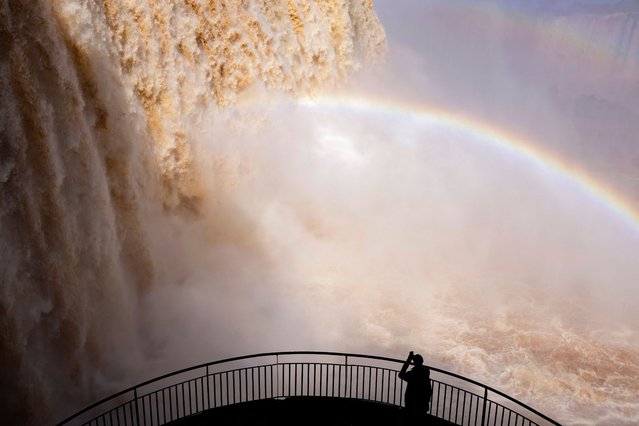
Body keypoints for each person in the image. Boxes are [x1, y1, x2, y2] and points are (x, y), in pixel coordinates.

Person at [398, 351, 432, 421]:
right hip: (423, 402)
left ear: (414, 363)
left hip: (411, 402)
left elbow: (401, 375)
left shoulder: (412, 374)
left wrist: (409, 359)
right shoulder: (426, 372)